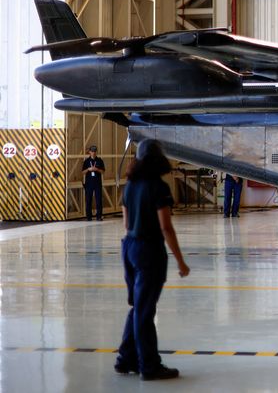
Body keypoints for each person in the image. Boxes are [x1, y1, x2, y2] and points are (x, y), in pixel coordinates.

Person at [115, 139, 190, 381]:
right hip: (149, 250)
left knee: (138, 306)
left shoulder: (130, 185)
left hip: (129, 247)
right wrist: (180, 261)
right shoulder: (159, 188)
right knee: (145, 311)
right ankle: (149, 365)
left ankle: (125, 359)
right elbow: (166, 227)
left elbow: (126, 224)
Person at [82, 145, 105, 221]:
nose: (93, 153)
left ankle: (99, 216)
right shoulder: (86, 161)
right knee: (88, 200)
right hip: (89, 183)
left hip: (97, 183)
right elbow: (83, 172)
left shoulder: (100, 160)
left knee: (98, 200)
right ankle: (89, 217)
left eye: (95, 151)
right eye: (92, 151)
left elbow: (103, 171)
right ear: (89, 152)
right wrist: (88, 169)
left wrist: (96, 169)